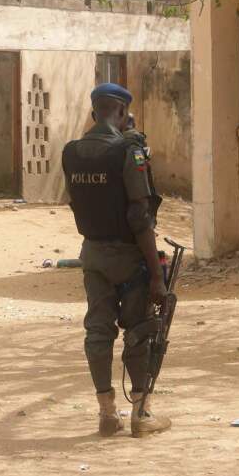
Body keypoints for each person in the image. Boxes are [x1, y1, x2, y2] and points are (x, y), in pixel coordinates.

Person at [62, 83, 170, 437]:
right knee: (139, 330)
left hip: (92, 253)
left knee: (98, 330)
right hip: (129, 257)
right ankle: (141, 413)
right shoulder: (129, 151)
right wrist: (156, 275)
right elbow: (141, 218)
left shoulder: (71, 152)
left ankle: (107, 413)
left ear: (94, 113)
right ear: (123, 113)